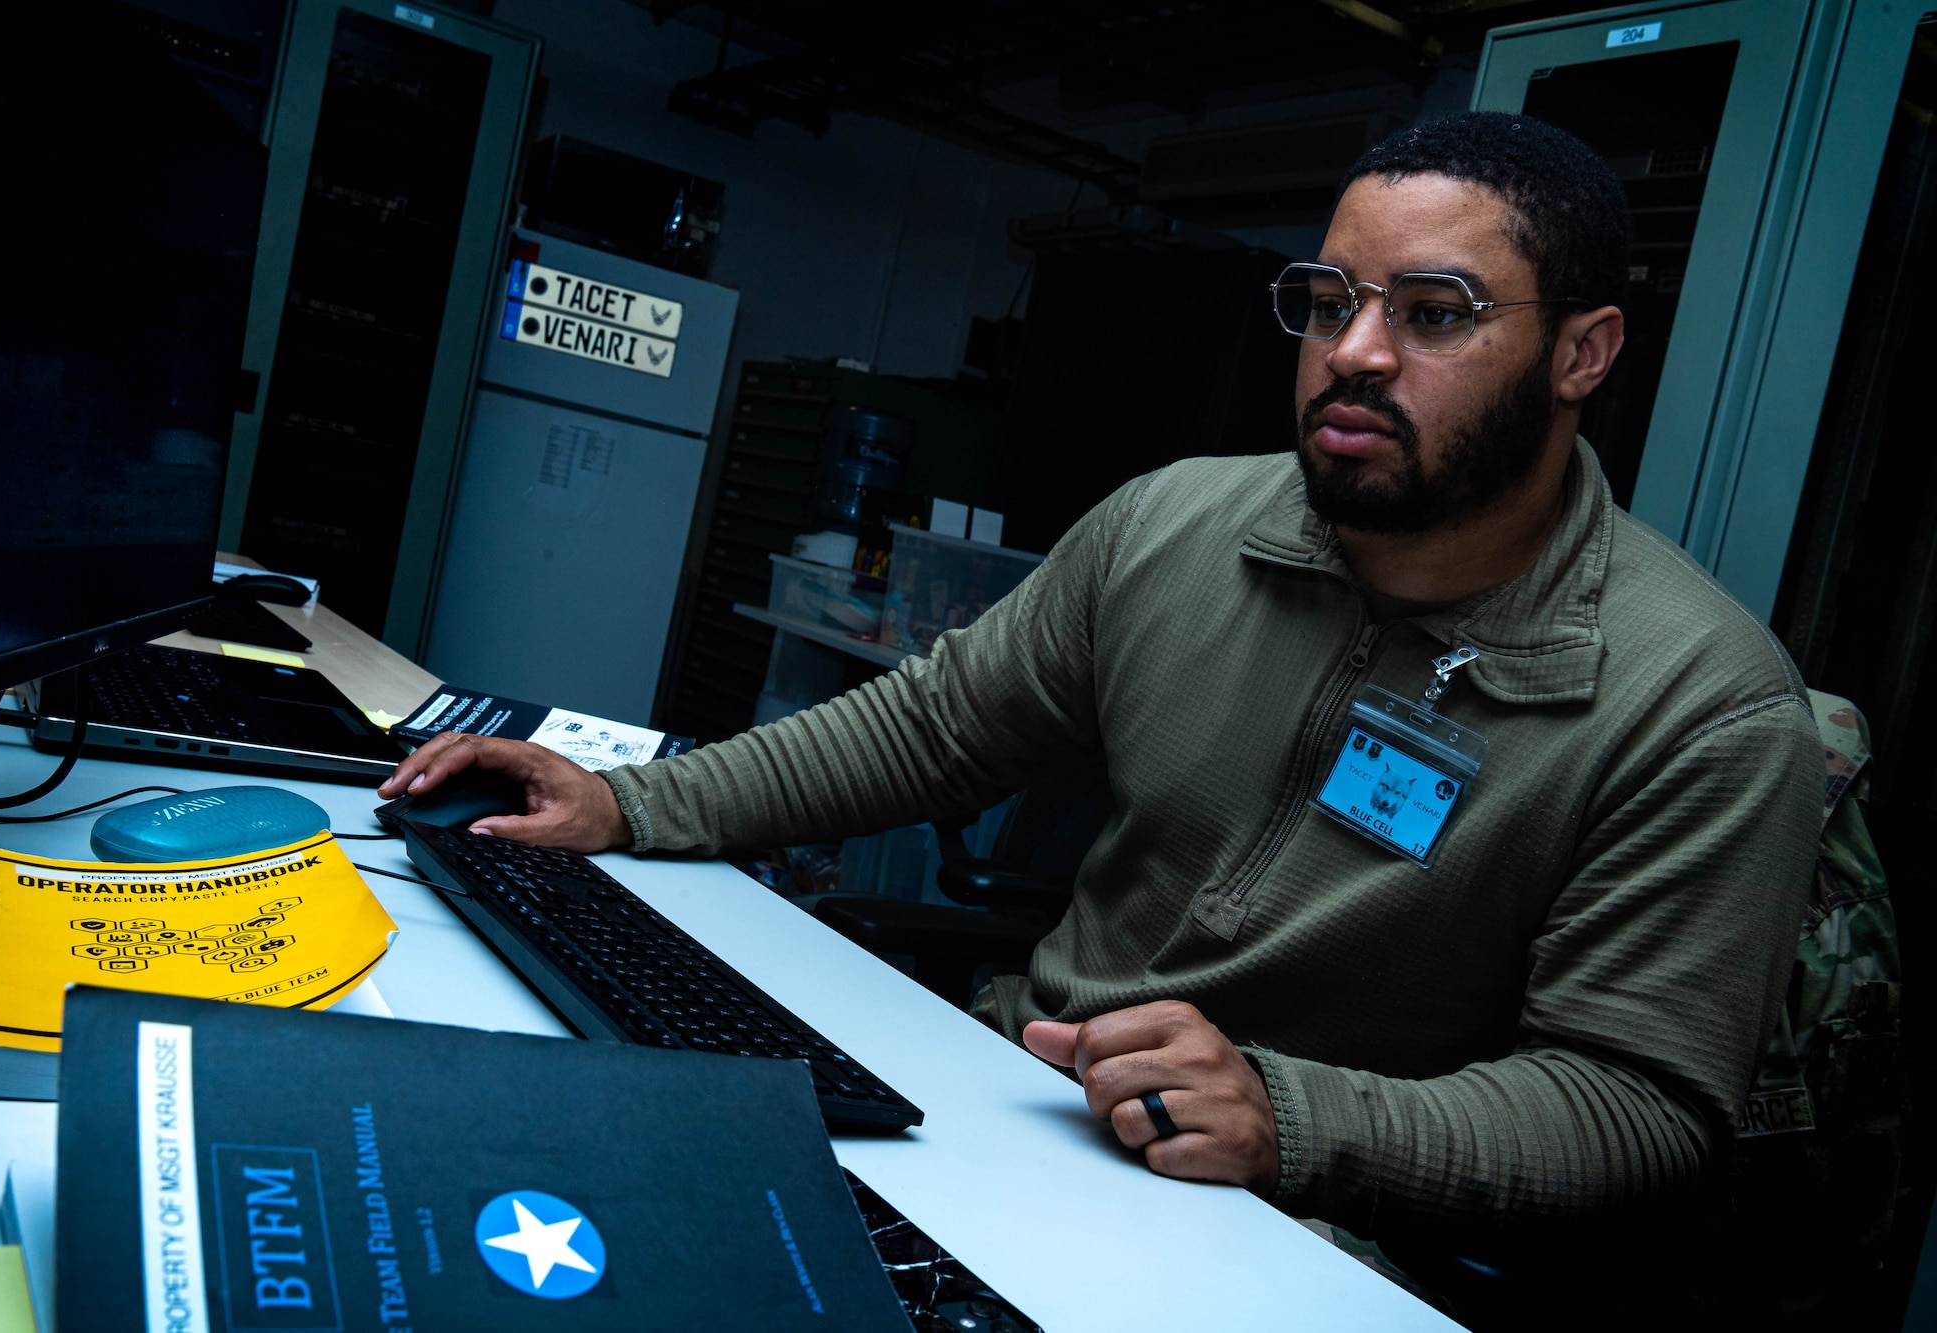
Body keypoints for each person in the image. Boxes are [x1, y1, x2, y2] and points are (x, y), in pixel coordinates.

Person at [381, 113, 1818, 1290]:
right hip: (1022, 1098)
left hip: (1313, 1222)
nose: (1357, 353)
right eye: (1328, 301)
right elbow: (934, 725)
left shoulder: (1698, 703)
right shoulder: (1176, 527)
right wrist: (635, 800)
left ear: (1585, 352)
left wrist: (1292, 1115)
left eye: (1434, 312)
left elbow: (1637, 1104)